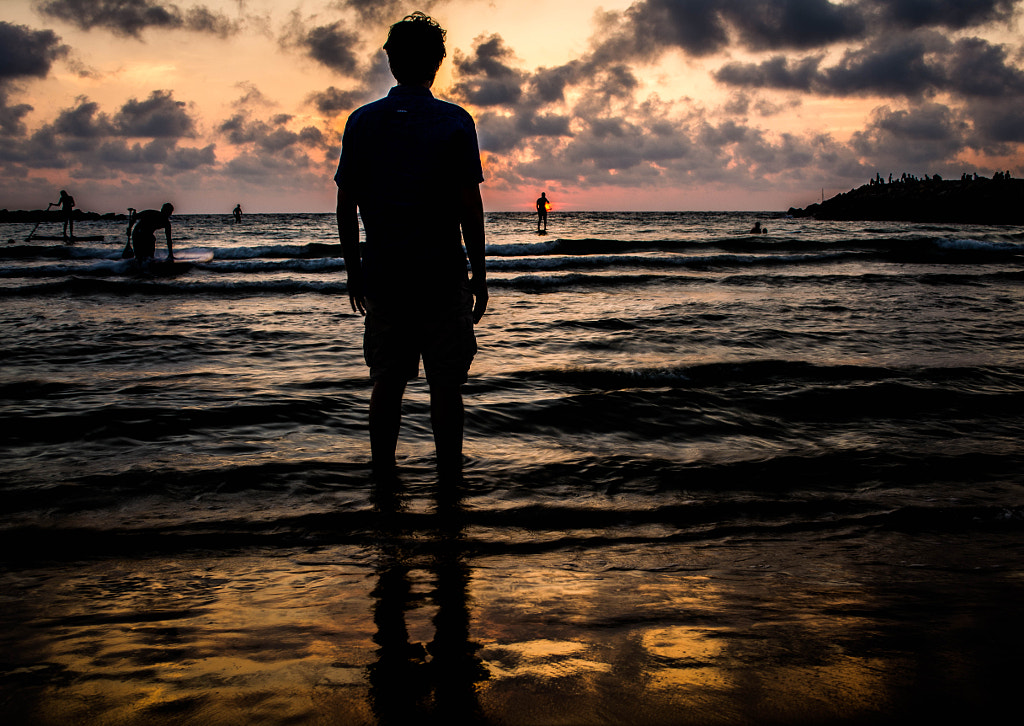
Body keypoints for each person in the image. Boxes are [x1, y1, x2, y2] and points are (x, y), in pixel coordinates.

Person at [335, 12, 487, 482]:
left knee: (388, 381)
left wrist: (354, 270)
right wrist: (479, 273)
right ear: (437, 63)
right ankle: (449, 482)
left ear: (391, 61)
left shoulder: (362, 122)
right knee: (446, 384)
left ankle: (384, 480)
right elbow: (470, 206)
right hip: (442, 273)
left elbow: (346, 203)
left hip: (385, 273)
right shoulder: (455, 122)